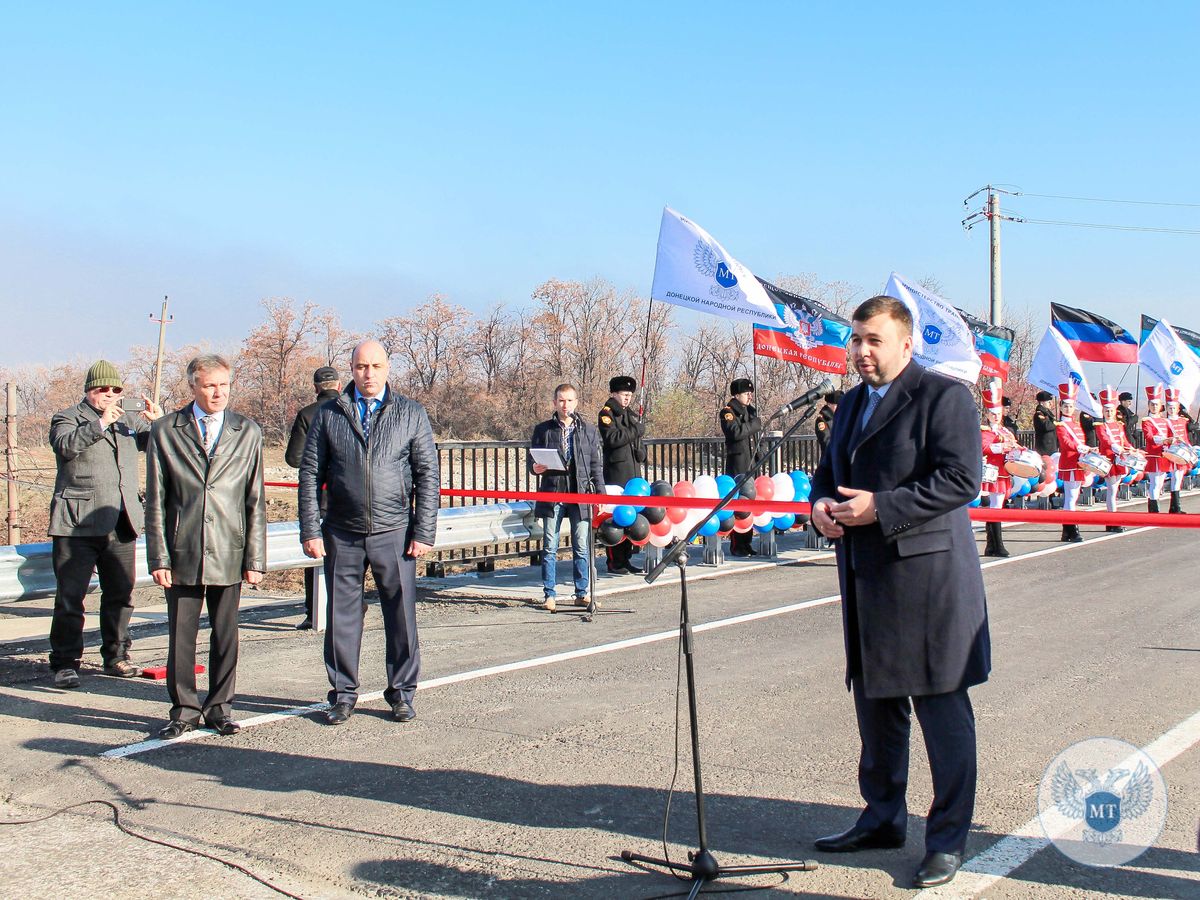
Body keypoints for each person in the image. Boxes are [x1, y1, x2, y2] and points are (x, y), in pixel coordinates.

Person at [809, 296, 990, 890]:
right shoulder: (851, 404)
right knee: (877, 711)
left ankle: (947, 840)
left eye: (874, 340)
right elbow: (826, 473)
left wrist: (879, 508)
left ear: (906, 344)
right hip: (866, 579)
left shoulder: (943, 396)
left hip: (929, 582)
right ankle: (882, 818)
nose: (861, 351)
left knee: (942, 713)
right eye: (856, 339)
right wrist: (819, 509)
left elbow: (961, 479)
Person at [299, 340, 439, 726]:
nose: (369, 374)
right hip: (342, 531)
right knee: (342, 616)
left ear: (388, 368)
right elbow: (310, 475)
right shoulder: (329, 413)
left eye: (376, 366)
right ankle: (343, 694)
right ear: (351, 369)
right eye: (362, 367)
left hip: (394, 530)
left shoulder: (410, 413)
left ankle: (402, 693)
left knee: (401, 616)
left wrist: (423, 530)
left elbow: (428, 475)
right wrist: (311, 529)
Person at [145, 354, 266, 739]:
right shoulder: (166, 430)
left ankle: (220, 708)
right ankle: (183, 710)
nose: (218, 393)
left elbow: (255, 500)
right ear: (193, 386)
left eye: (224, 385)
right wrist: (159, 556)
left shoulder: (247, 431)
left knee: (225, 634)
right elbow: (157, 500)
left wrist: (255, 558)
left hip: (229, 548)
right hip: (183, 548)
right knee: (182, 636)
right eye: (210, 385)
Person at [47, 361, 162, 688]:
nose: (110, 396)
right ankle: (66, 662)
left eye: (115, 391)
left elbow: (159, 445)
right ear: (88, 390)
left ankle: (117, 655)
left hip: (121, 520)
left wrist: (160, 423)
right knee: (71, 597)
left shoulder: (127, 420)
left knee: (121, 594)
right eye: (103, 390)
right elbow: (65, 446)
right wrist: (99, 423)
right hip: (77, 524)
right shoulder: (68, 417)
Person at [528, 383, 603, 612]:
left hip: (579, 494)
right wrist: (536, 468)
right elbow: (532, 461)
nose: (565, 405)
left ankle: (582, 593)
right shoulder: (543, 429)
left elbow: (595, 465)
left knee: (581, 545)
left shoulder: (587, 430)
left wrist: (600, 493)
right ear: (554, 402)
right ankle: (549, 594)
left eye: (569, 400)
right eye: (561, 400)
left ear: (576, 402)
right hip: (553, 492)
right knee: (550, 544)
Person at [285, 365, 342, 629]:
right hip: (346, 493)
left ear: (316, 387)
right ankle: (346, 609)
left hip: (317, 496)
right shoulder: (351, 410)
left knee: (315, 550)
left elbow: (293, 458)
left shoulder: (307, 414)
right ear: (339, 385)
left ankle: (313, 611)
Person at [598, 375, 646, 575]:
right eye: (624, 394)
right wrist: (635, 431)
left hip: (633, 472)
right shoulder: (606, 414)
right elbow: (612, 439)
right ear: (614, 394)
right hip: (616, 473)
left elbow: (635, 438)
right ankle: (614, 561)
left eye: (629, 395)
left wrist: (641, 451)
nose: (627, 398)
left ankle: (626, 558)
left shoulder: (629, 414)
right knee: (617, 517)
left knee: (632, 517)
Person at [720, 378, 762, 557]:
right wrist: (754, 425)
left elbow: (753, 437)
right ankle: (737, 544)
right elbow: (735, 432)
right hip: (738, 464)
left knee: (750, 504)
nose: (749, 396)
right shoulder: (728, 412)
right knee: (740, 504)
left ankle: (747, 542)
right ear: (737, 395)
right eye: (746, 393)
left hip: (751, 462)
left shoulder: (750, 412)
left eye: (750, 393)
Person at [979, 386, 1019, 557]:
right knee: (995, 507)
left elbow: (1015, 445)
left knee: (998, 506)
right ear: (987, 414)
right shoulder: (985, 430)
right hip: (992, 472)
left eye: (998, 412)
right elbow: (984, 447)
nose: (996, 416)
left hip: (1003, 471)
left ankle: (993, 545)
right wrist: (1002, 446)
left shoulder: (1005, 430)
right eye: (992, 413)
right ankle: (996, 545)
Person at [1095, 385, 1137, 533]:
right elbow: (1105, 440)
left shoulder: (1118, 425)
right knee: (1112, 489)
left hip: (1120, 458)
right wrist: (1117, 449)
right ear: (1103, 411)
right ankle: (1112, 520)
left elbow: (1123, 439)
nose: (1109, 413)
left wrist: (1131, 448)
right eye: (1106, 410)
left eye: (1111, 410)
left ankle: (1111, 520)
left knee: (1115, 489)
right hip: (1109, 460)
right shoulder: (1100, 426)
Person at [1054, 383, 1090, 543]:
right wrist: (1080, 447)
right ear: (1061, 407)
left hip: (1078, 462)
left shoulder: (1075, 424)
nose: (1068, 409)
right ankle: (1072, 529)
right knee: (1070, 496)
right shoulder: (1061, 425)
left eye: (1071, 406)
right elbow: (1065, 443)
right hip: (1069, 462)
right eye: (1066, 406)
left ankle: (1067, 530)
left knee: (1073, 496)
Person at [1141, 384, 1171, 514]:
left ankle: (1155, 507)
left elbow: (1170, 435)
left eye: (1156, 404)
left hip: (1164, 455)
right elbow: (1149, 436)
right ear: (1148, 406)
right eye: (1152, 404)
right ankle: (1154, 511)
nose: (1154, 407)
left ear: (1160, 406)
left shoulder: (1165, 421)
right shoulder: (1147, 420)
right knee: (1155, 482)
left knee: (1160, 483)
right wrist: (1163, 440)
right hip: (1154, 455)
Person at [1164, 387, 1190, 514]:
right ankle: (1175, 507)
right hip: (1172, 452)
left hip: (1182, 451)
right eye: (1170, 408)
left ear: (1178, 408)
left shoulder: (1182, 420)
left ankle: (1175, 506)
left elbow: (1185, 436)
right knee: (1174, 477)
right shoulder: (1165, 422)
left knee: (1178, 477)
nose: (1172, 410)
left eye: (1174, 408)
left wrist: (1189, 448)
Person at [1032, 390, 1059, 467]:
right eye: (1048, 402)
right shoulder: (1039, 414)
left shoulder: (1049, 414)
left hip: (1052, 446)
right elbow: (1046, 426)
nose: (1051, 403)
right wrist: (1056, 423)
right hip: (1044, 447)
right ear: (1042, 403)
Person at [814, 390, 842, 458]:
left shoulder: (842, 417)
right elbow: (826, 442)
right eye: (837, 405)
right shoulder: (822, 420)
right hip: (830, 461)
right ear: (829, 404)